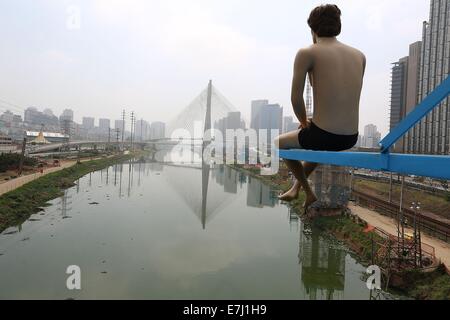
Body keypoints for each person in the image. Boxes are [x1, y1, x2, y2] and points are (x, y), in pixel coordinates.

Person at [275, 4, 366, 212]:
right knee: (318, 144)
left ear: (312, 29)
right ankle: (295, 187)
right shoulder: (360, 56)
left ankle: (306, 191)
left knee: (279, 143)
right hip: (350, 137)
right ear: (338, 26)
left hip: (324, 135)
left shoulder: (307, 52)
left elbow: (296, 98)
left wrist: (304, 122)